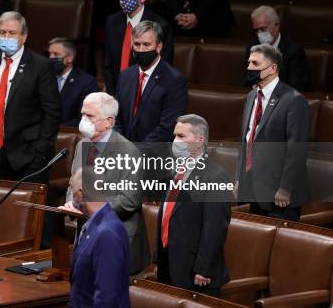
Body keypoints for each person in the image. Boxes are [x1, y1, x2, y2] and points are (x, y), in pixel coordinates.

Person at [64, 92, 149, 276]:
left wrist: (89, 208)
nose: (83, 120)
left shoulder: (129, 152)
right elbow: (73, 184)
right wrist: (72, 202)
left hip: (117, 238)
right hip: (86, 237)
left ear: (108, 121)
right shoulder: (82, 145)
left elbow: (128, 200)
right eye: (82, 114)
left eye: (90, 116)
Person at [0, 11, 61, 183]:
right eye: (2, 33)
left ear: (24, 36)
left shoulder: (41, 65)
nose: (6, 37)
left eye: (12, 33)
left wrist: (40, 151)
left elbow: (53, 112)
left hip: (26, 156)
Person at [156, 114, 231, 297]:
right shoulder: (175, 168)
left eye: (181, 136)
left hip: (195, 272)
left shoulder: (215, 176)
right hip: (169, 262)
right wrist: (158, 255)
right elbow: (167, 213)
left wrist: (203, 268)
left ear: (199, 140)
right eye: (175, 135)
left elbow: (215, 227)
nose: (175, 141)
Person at [236, 44, 309, 221]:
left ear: (272, 68)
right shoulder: (252, 96)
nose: (249, 68)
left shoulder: (294, 100)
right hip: (254, 189)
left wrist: (285, 188)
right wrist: (240, 178)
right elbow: (246, 140)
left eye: (255, 63)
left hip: (280, 196)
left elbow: (296, 149)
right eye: (248, 63)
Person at [60, 168, 130, 307]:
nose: (72, 198)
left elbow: (106, 297)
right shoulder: (95, 225)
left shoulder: (107, 233)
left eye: (73, 189)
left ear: (82, 191)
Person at [117, 21, 188, 143]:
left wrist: (136, 151)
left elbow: (168, 127)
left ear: (159, 47)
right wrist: (120, 144)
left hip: (153, 155)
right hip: (122, 152)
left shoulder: (174, 80)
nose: (141, 49)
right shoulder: (125, 75)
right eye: (137, 44)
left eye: (146, 45)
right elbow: (115, 117)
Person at [104, 0, 174, 96]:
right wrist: (111, 94)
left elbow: (163, 67)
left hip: (144, 92)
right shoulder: (112, 22)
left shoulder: (160, 25)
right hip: (115, 91)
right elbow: (109, 63)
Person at [244, 5, 308, 92]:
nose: (259, 34)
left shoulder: (293, 50)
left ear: (277, 26)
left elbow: (296, 86)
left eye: (263, 29)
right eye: (256, 30)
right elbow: (247, 78)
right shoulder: (253, 46)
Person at [48, 38, 98, 127]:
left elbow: (84, 118)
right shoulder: (42, 76)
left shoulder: (86, 82)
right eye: (49, 54)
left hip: (65, 133)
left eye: (56, 54)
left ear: (69, 58)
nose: (51, 57)